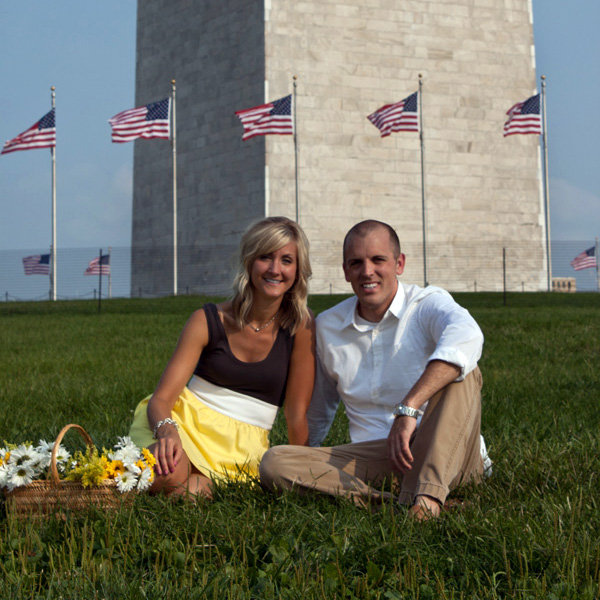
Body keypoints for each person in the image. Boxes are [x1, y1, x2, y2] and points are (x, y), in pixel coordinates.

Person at [260, 219, 490, 519]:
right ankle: (396, 503)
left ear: (399, 263)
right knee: (274, 463)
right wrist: (306, 458)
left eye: (378, 259)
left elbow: (468, 336)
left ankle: (428, 499)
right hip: (376, 460)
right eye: (356, 263)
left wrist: (409, 408)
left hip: (449, 454)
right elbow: (320, 409)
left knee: (462, 370)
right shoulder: (329, 326)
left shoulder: (426, 305)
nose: (367, 271)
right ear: (345, 271)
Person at [129, 217, 315, 498]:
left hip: (241, 450)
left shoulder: (300, 327)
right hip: (184, 424)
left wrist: (303, 476)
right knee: (168, 473)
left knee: (194, 490)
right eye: (265, 257)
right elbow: (161, 399)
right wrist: (167, 432)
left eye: (287, 260)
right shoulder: (207, 319)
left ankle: (190, 487)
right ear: (250, 262)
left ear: (298, 269)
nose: (275, 269)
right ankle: (90, 482)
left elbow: (296, 415)